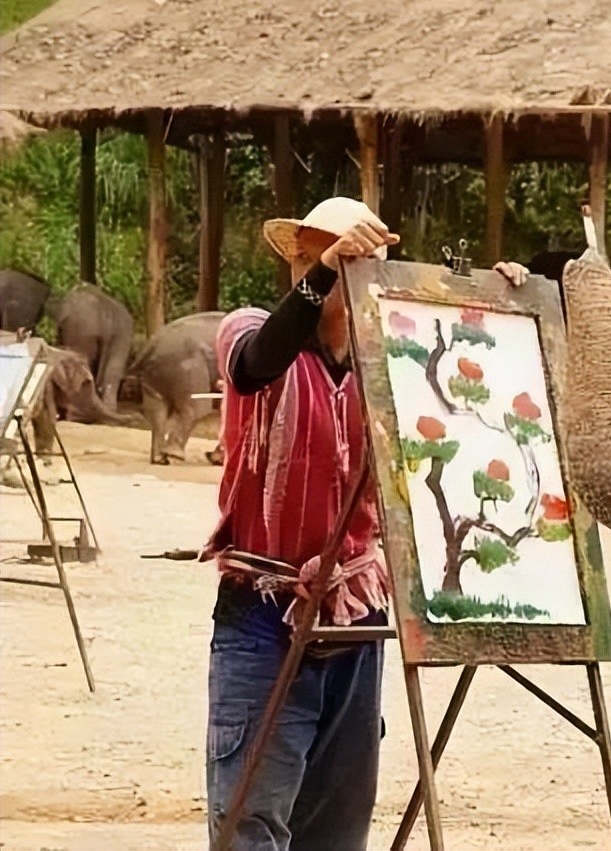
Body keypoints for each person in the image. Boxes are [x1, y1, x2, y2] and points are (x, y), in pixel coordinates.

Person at [203, 197, 529, 851]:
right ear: (300, 263)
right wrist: (326, 270)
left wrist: (493, 307)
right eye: (323, 257)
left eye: (359, 262)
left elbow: (470, 404)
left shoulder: (388, 363)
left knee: (338, 826)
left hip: (356, 614)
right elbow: (258, 360)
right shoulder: (248, 331)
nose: (347, 273)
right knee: (251, 820)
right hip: (265, 613)